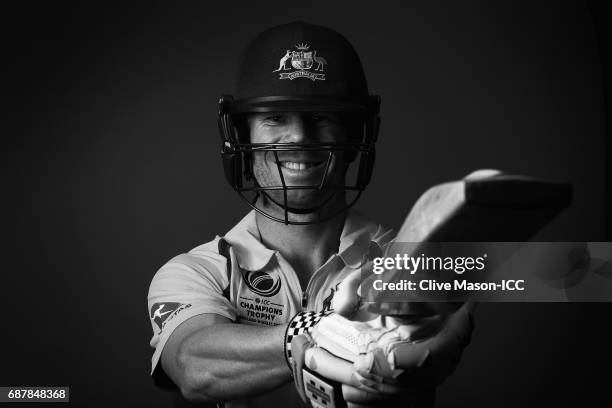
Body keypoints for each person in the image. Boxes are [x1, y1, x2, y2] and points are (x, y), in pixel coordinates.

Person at [147, 21, 472, 408]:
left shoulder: (403, 258)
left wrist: (438, 321)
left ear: (356, 136)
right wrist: (309, 333)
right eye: (275, 118)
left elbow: (550, 275)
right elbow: (192, 364)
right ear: (242, 139)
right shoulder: (198, 271)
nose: (300, 137)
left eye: (323, 118)